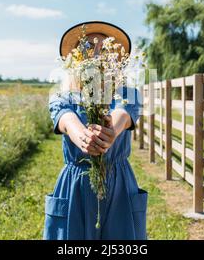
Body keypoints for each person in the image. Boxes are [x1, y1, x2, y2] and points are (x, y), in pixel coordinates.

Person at [43, 21, 147, 240]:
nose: (97, 54)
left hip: (118, 184)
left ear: (117, 60)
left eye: (106, 48)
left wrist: (111, 131)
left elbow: (123, 114)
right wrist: (81, 135)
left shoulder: (128, 92)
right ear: (77, 59)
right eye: (88, 47)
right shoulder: (63, 96)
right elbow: (66, 117)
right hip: (76, 184)